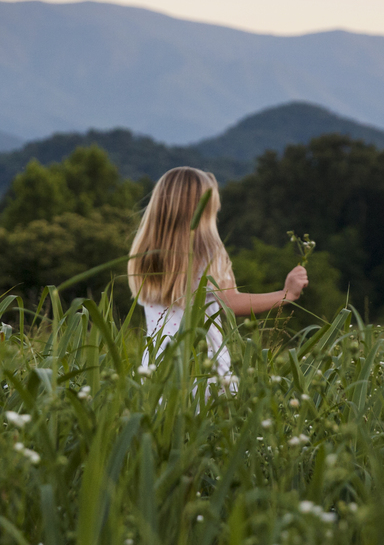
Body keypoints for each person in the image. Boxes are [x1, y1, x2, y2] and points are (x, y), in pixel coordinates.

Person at [126, 166, 307, 389]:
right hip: (206, 371)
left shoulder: (143, 253)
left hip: (156, 371)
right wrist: (285, 294)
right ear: (204, 210)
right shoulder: (209, 252)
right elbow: (230, 302)